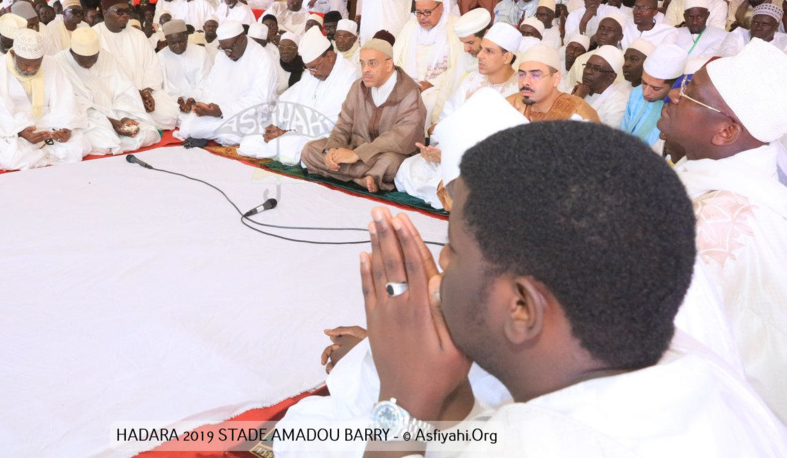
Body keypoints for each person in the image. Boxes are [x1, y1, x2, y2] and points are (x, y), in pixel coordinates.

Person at [292, 120, 787, 457]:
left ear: (522, 308)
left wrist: (401, 401)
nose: (441, 263)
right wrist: (449, 398)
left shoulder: (536, 445)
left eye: (454, 251)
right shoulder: (693, 366)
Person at [658, 39, 787, 423]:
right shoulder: (727, 183)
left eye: (690, 91)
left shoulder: (715, 219)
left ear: (726, 132)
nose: (674, 94)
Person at [395, 24, 519, 207]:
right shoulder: (472, 79)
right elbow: (448, 116)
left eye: (489, 51)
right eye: (481, 49)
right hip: (450, 151)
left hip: (481, 161)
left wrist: (452, 155)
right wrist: (437, 148)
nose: (480, 55)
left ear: (506, 57)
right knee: (408, 168)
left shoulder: (518, 90)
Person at [300, 31, 424, 193]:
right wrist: (333, 149)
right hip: (355, 148)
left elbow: (402, 136)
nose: (365, 69)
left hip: (386, 152)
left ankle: (351, 174)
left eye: (372, 64)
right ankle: (362, 179)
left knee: (391, 163)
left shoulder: (409, 92)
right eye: (362, 63)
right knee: (309, 150)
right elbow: (343, 124)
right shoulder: (358, 87)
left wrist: (358, 155)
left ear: (388, 65)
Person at [238, 27, 359, 164]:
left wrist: (288, 132)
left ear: (329, 57)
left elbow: (330, 121)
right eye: (308, 68)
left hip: (323, 138)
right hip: (296, 132)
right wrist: (277, 125)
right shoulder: (310, 75)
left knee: (285, 147)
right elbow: (287, 100)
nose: (312, 73)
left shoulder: (349, 75)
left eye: (314, 67)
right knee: (250, 140)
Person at [0, 27, 89, 169]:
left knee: (79, 145)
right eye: (26, 64)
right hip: (13, 126)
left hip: (49, 122)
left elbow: (64, 99)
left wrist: (65, 127)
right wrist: (21, 131)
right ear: (13, 54)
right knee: (13, 156)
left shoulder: (51, 64)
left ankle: (43, 154)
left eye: (36, 64)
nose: (31, 69)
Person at [55, 26, 159, 155]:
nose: (89, 64)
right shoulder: (59, 62)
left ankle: (119, 136)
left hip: (116, 111)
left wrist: (124, 116)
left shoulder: (105, 57)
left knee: (149, 134)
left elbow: (125, 89)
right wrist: (110, 121)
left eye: (93, 59)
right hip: (89, 118)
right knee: (104, 143)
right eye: (84, 60)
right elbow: (70, 104)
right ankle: (114, 137)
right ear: (73, 52)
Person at [173, 20, 277, 147]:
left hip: (249, 115)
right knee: (187, 125)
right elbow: (210, 84)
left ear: (242, 39)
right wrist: (203, 106)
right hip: (219, 111)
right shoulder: (223, 55)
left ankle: (207, 135)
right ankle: (207, 134)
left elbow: (260, 102)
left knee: (229, 135)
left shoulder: (263, 59)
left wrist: (222, 111)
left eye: (230, 48)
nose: (228, 53)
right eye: (223, 49)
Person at [92, 0, 178, 130]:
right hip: (113, 97)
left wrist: (147, 92)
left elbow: (152, 66)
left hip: (143, 90)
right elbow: (94, 75)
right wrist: (131, 94)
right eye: (119, 12)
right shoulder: (94, 36)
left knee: (170, 116)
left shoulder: (138, 35)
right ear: (104, 12)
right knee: (114, 117)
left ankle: (140, 125)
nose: (125, 15)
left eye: (127, 11)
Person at [392, 0, 459, 117]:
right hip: (408, 84)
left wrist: (433, 83)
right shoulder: (410, 26)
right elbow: (396, 59)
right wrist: (407, 82)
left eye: (427, 12)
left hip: (440, 86)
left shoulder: (455, 26)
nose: (422, 17)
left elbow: (460, 65)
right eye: (418, 12)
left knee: (429, 103)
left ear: (441, 7)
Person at [500, 43, 600, 124]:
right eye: (522, 74)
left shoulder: (578, 111)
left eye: (535, 75)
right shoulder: (511, 105)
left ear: (556, 79)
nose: (525, 82)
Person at [428, 9, 490, 126]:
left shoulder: (501, 62)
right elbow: (447, 89)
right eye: (463, 43)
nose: (466, 49)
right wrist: (436, 121)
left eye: (470, 43)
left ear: (486, 35)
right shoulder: (463, 56)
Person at [621, 42, 685, 147]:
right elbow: (623, 130)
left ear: (674, 85)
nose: (645, 92)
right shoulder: (636, 92)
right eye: (644, 83)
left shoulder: (677, 112)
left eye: (655, 88)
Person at [572, 45, 631, 127]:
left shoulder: (618, 104)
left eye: (596, 69)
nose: (588, 72)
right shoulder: (579, 90)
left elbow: (603, 134)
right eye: (587, 66)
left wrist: (578, 100)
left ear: (611, 77)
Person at [157, 19, 211, 103]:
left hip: (202, 98)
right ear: (167, 40)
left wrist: (193, 98)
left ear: (186, 36)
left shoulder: (201, 52)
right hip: (173, 102)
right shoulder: (160, 56)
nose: (178, 46)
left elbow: (206, 79)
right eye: (173, 43)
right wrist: (178, 99)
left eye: (181, 41)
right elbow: (166, 85)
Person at [718, 2, 787, 56]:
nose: (758, 27)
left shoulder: (784, 41)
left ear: (776, 26)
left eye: (765, 24)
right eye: (755, 22)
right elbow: (726, 55)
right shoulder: (739, 34)